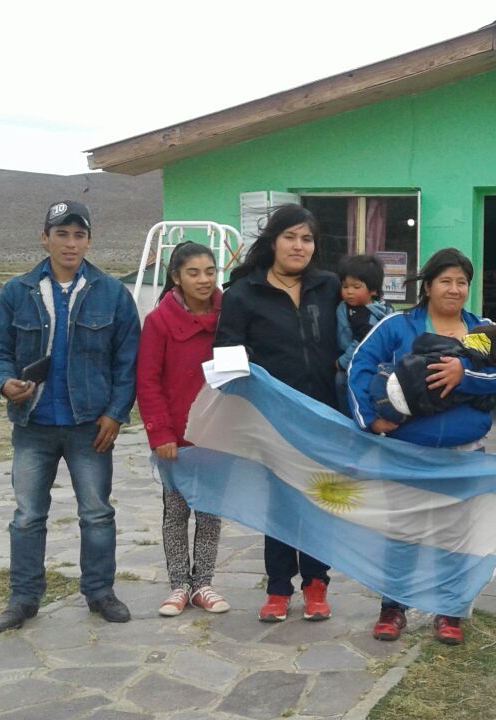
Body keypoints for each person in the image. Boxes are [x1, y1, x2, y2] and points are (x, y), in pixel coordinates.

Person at [0, 200, 140, 631]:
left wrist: (115, 414)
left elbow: (127, 361)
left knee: (96, 513)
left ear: (89, 240)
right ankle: (24, 598)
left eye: (79, 235)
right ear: (44, 237)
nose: (71, 243)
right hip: (33, 424)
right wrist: (4, 382)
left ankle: (100, 592)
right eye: (62, 234)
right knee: (28, 515)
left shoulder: (112, 294)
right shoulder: (18, 292)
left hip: (90, 425)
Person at [347, 248, 496, 646]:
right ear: (428, 285)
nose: (454, 289)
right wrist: (370, 418)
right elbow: (360, 367)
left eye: (462, 283)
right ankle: (393, 607)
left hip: (465, 452)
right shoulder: (399, 326)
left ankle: (449, 611)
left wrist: (465, 373)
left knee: (457, 534)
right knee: (403, 532)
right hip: (406, 454)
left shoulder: (478, 330)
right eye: (446, 281)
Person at [215, 203, 339, 624]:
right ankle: (278, 588)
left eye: (307, 239)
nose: (299, 246)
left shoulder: (329, 286)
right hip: (271, 420)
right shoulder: (243, 294)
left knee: (319, 501)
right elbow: (227, 355)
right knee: (280, 505)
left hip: (325, 416)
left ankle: (317, 584)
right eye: (290, 237)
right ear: (272, 241)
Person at [136, 242, 229, 617]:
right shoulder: (159, 321)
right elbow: (148, 381)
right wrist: (160, 433)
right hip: (175, 438)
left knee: (210, 512)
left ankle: (203, 583)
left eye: (210, 271)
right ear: (176, 277)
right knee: (175, 512)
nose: (204, 280)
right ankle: (178, 585)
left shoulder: (229, 316)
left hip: (218, 433)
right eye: (194, 272)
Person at [370, 323, 496, 422]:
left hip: (387, 383)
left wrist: (447, 339)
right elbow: (485, 404)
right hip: (402, 412)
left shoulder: (451, 347)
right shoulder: (477, 386)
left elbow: (419, 344)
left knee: (387, 367)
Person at [336, 254, 396, 409]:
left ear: (373, 291)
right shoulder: (349, 307)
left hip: (359, 361)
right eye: (345, 286)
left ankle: (347, 420)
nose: (349, 292)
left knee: (341, 381)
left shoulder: (366, 315)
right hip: (362, 361)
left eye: (356, 287)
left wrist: (341, 362)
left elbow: (361, 343)